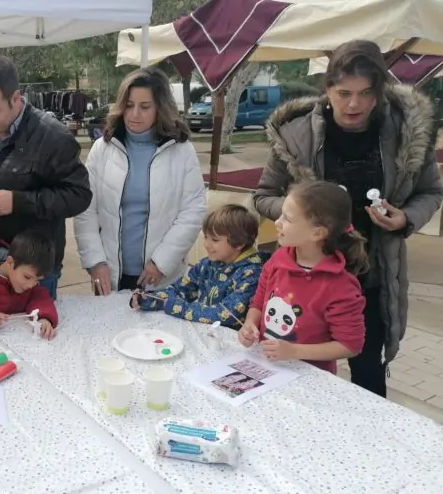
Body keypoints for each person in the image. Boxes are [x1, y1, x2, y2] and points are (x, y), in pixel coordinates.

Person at [254, 40, 443, 397]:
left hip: (372, 273)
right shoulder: (296, 134)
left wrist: (405, 219)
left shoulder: (409, 132)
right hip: (306, 278)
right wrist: (305, 219)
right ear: (327, 90)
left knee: (368, 371)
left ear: (380, 92)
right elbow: (263, 196)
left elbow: (432, 193)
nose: (354, 104)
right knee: (291, 368)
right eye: (343, 93)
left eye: (365, 93)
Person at [0, 53, 92, 299]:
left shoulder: (53, 137)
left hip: (34, 268)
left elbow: (79, 196)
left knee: (35, 332)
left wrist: (19, 201)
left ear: (16, 98)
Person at [74, 67, 206, 294]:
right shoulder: (101, 149)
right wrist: (95, 262)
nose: (134, 114)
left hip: (160, 277)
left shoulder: (182, 151)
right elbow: (86, 210)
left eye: (144, 107)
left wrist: (162, 263)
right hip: (110, 275)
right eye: (128, 105)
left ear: (160, 108)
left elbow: (193, 211)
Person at [239, 182, 367, 374]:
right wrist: (250, 324)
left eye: (287, 219)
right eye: (281, 214)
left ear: (317, 233)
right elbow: (258, 303)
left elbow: (350, 345)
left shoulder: (340, 286)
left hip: (308, 378)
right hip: (266, 368)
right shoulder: (277, 260)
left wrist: (294, 351)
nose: (277, 222)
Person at [132, 204, 267, 328]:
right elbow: (180, 290)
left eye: (214, 240)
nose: (207, 244)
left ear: (239, 244)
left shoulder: (252, 273)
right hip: (206, 333)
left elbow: (226, 315)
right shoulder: (207, 264)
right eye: (206, 237)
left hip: (231, 345)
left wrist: (177, 307)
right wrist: (148, 299)